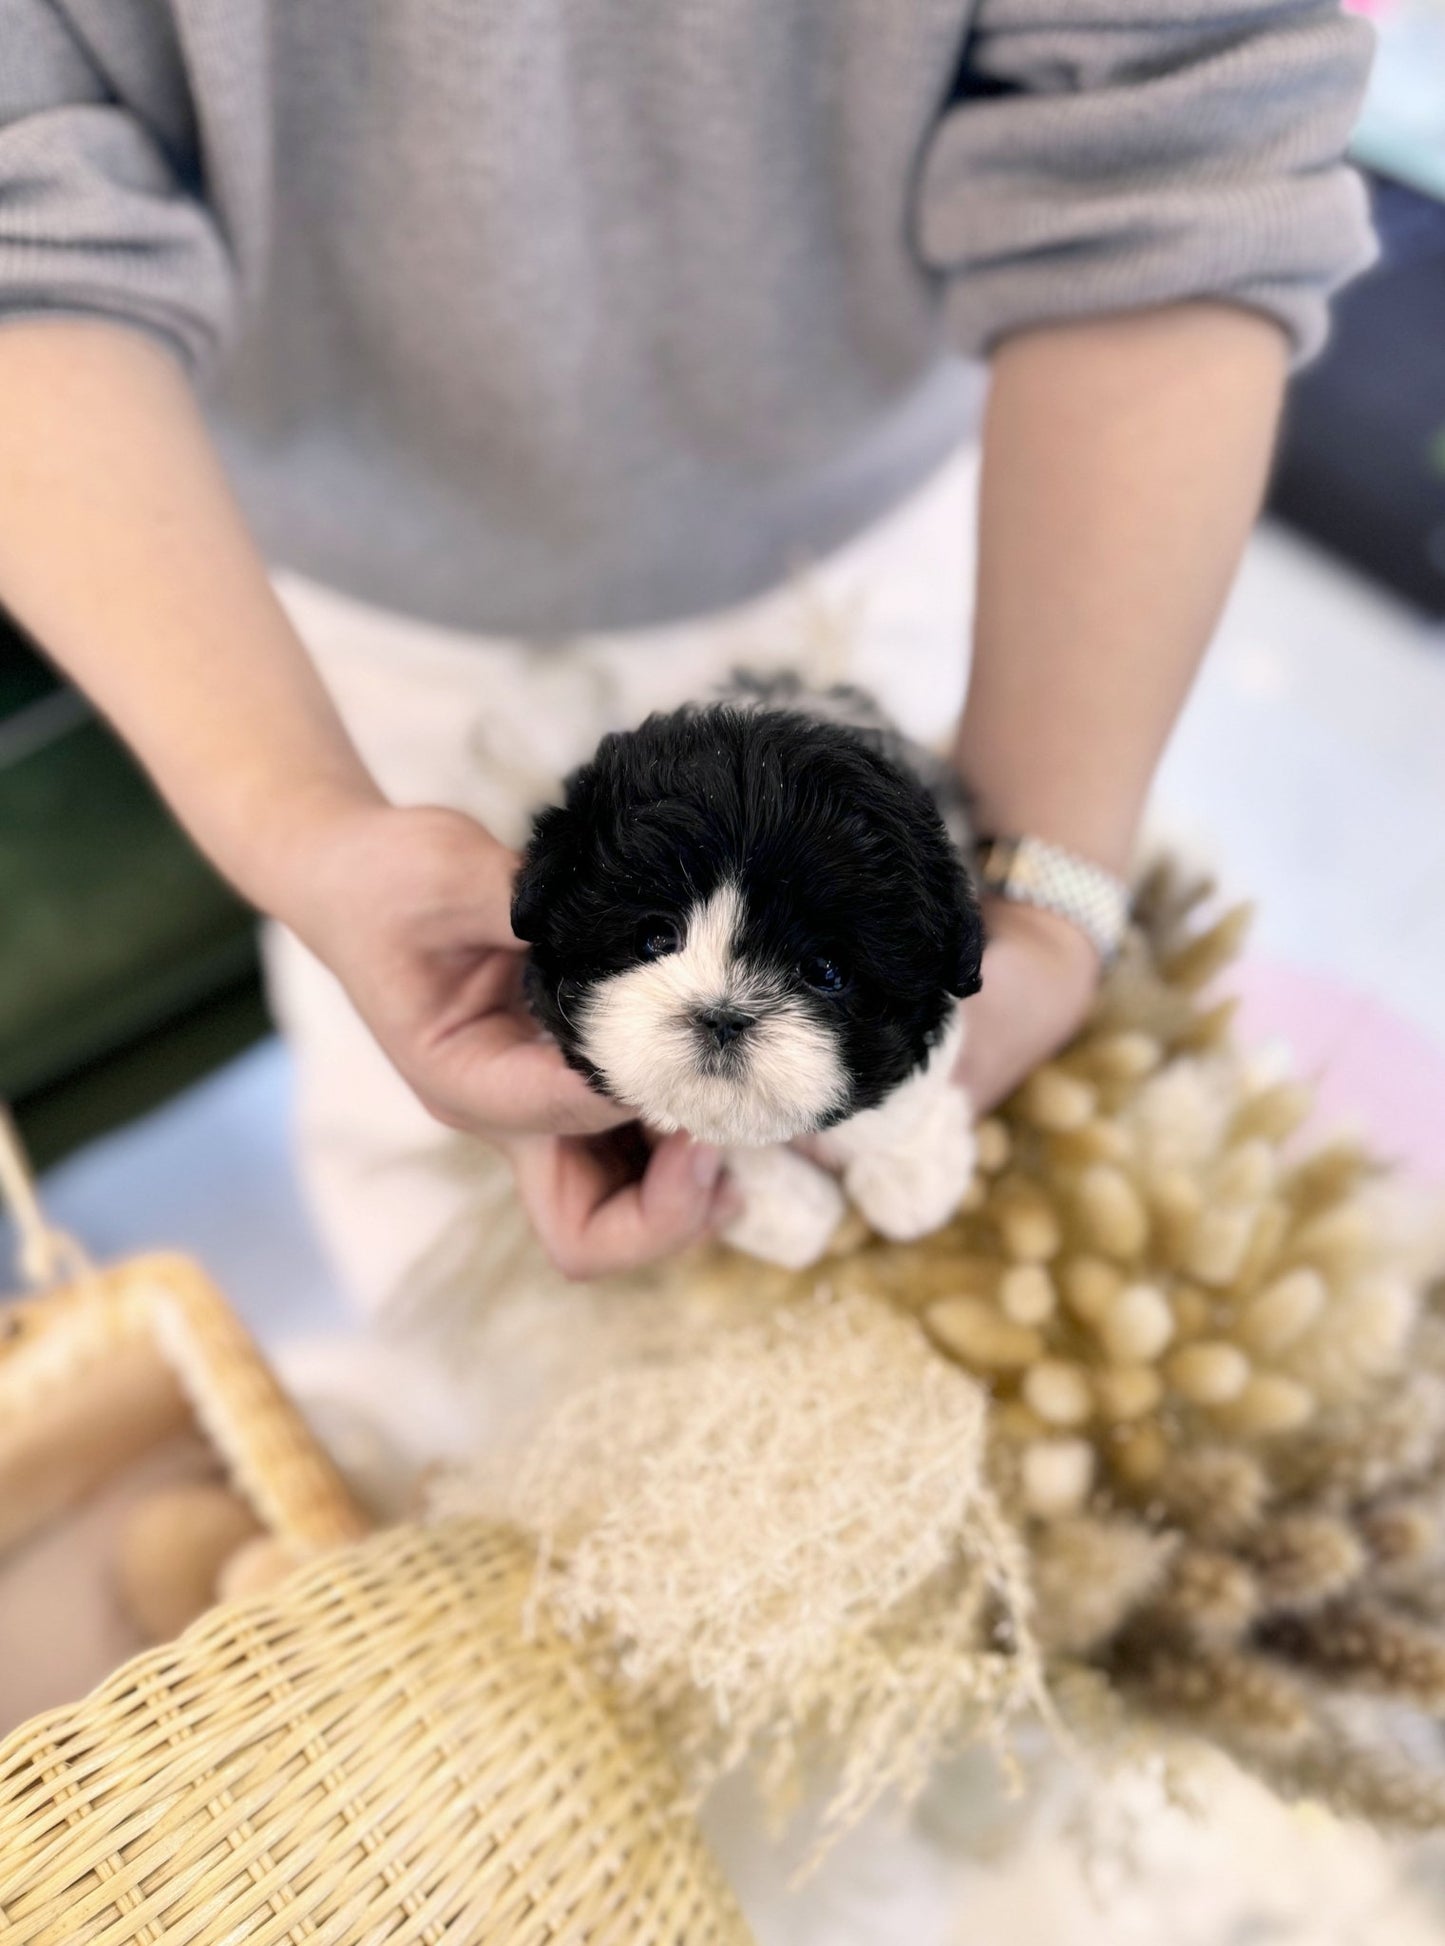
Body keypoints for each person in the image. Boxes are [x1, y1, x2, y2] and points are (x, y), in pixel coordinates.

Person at [0, 4, 1375, 1306]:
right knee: (425, 1245)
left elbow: (1180, 123)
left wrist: (1052, 886)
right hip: (298, 610)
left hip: (916, 523)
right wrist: (306, 834)